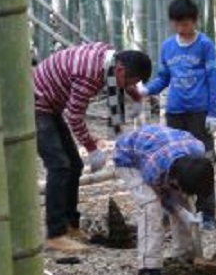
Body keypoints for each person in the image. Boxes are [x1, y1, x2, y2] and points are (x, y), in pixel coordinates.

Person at [34, 42, 151, 252]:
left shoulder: (110, 57)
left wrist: (135, 94)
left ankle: (70, 225)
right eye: (130, 81)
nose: (127, 86)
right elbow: (74, 117)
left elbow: (118, 89)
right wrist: (92, 148)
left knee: (74, 165)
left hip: (50, 105)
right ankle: (54, 234)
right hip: (36, 105)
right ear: (121, 70)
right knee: (59, 166)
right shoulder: (90, 75)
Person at [113, 125, 216, 275]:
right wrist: (179, 211)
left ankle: (184, 257)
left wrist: (186, 210)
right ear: (174, 180)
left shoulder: (199, 151)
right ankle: (148, 270)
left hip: (161, 149)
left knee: (184, 202)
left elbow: (190, 189)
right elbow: (163, 197)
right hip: (129, 157)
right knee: (151, 207)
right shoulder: (154, 168)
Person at [139, 0, 216, 153]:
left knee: (202, 155)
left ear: (194, 21)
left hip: (199, 111)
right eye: (176, 24)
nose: (180, 28)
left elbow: (214, 79)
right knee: (177, 155)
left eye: (185, 24)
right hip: (175, 111)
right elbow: (163, 78)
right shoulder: (167, 46)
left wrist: (213, 113)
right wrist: (146, 90)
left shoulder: (205, 44)